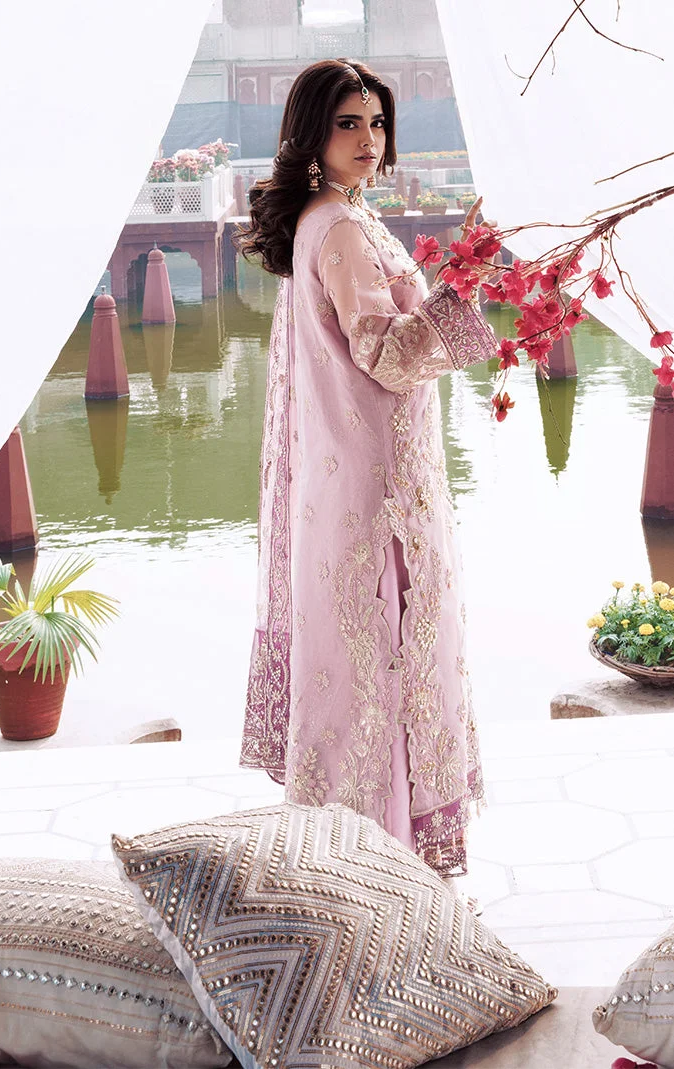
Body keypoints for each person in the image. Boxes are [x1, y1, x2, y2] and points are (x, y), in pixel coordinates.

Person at [237, 58, 497, 878]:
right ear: (312, 133)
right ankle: (383, 861)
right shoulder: (342, 227)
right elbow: (384, 353)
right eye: (348, 123)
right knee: (384, 663)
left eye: (376, 122)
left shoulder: (333, 216)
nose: (368, 139)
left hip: (352, 477)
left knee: (362, 664)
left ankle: (355, 858)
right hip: (375, 490)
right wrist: (463, 290)